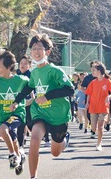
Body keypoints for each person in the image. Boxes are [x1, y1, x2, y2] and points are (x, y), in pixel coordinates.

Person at [9, 34, 73, 179]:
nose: (36, 51)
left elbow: (69, 89)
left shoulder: (55, 70)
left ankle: (64, 140)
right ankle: (33, 177)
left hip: (58, 116)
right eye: (33, 48)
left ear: (47, 51)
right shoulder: (35, 72)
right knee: (34, 140)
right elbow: (29, 87)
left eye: (39, 48)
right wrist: (16, 101)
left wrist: (47, 96)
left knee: (55, 152)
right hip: (40, 113)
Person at [0, 51, 29, 175]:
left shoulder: (20, 80)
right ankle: (20, 156)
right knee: (13, 139)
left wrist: (32, 97)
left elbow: (31, 85)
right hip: (2, 116)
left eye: (0, 67)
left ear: (9, 67)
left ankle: (13, 156)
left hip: (17, 114)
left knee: (3, 130)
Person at [85, 63, 111, 151]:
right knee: (93, 128)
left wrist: (108, 96)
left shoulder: (107, 81)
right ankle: (95, 132)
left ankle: (99, 143)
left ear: (99, 71)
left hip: (103, 107)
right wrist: (87, 103)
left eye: (94, 70)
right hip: (93, 107)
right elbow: (89, 93)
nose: (92, 72)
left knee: (100, 126)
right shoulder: (93, 82)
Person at [16, 55, 34, 151]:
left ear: (29, 66)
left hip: (30, 103)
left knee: (31, 124)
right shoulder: (17, 74)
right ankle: (20, 145)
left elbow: (33, 90)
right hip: (20, 103)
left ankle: (46, 136)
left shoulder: (31, 75)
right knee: (21, 124)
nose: (22, 65)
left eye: (25, 63)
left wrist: (31, 99)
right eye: (21, 63)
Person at [81, 61, 99, 136]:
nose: (93, 68)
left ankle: (94, 130)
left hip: (99, 98)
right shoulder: (87, 78)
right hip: (89, 98)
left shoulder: (100, 76)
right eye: (92, 67)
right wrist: (88, 92)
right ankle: (93, 125)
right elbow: (82, 87)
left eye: (95, 67)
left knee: (97, 114)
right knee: (89, 115)